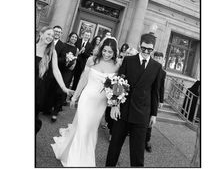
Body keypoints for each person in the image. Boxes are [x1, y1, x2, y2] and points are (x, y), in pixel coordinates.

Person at [51, 37, 120, 167]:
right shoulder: (92, 60)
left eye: (110, 52)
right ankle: (76, 162)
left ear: (115, 52)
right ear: (101, 49)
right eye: (104, 51)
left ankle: (82, 155)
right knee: (83, 127)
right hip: (86, 99)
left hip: (101, 103)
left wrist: (116, 101)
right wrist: (75, 97)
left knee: (90, 130)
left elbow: (117, 85)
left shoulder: (117, 65)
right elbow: (83, 79)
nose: (106, 54)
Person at [105, 33, 162, 167]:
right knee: (114, 146)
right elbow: (118, 83)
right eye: (144, 48)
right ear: (139, 45)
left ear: (153, 49)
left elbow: (155, 92)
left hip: (142, 114)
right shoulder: (128, 60)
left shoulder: (157, 67)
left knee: (137, 152)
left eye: (150, 49)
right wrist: (115, 105)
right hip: (123, 110)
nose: (146, 51)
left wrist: (154, 114)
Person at [36, 26, 72, 134]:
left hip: (39, 88)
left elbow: (56, 71)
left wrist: (64, 88)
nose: (51, 37)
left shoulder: (52, 52)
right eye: (48, 34)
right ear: (41, 34)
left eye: (52, 35)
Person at [51, 32, 79, 122]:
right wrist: (65, 59)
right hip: (60, 68)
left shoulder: (76, 49)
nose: (74, 38)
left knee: (62, 90)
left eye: (75, 37)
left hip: (68, 71)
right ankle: (50, 106)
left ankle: (56, 111)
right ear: (69, 37)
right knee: (55, 87)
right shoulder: (63, 45)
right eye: (72, 37)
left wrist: (72, 64)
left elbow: (75, 59)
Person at [145, 51, 166, 153]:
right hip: (145, 96)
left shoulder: (163, 72)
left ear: (162, 60)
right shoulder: (147, 66)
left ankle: (147, 140)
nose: (157, 59)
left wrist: (161, 100)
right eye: (156, 57)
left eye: (159, 58)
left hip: (154, 98)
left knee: (151, 120)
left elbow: (161, 87)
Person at [42, 25, 65, 115]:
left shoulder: (63, 45)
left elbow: (63, 59)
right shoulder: (46, 40)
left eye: (59, 32)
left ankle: (46, 108)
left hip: (53, 71)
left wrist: (51, 59)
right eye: (56, 31)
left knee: (50, 90)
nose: (57, 33)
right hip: (42, 67)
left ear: (61, 34)